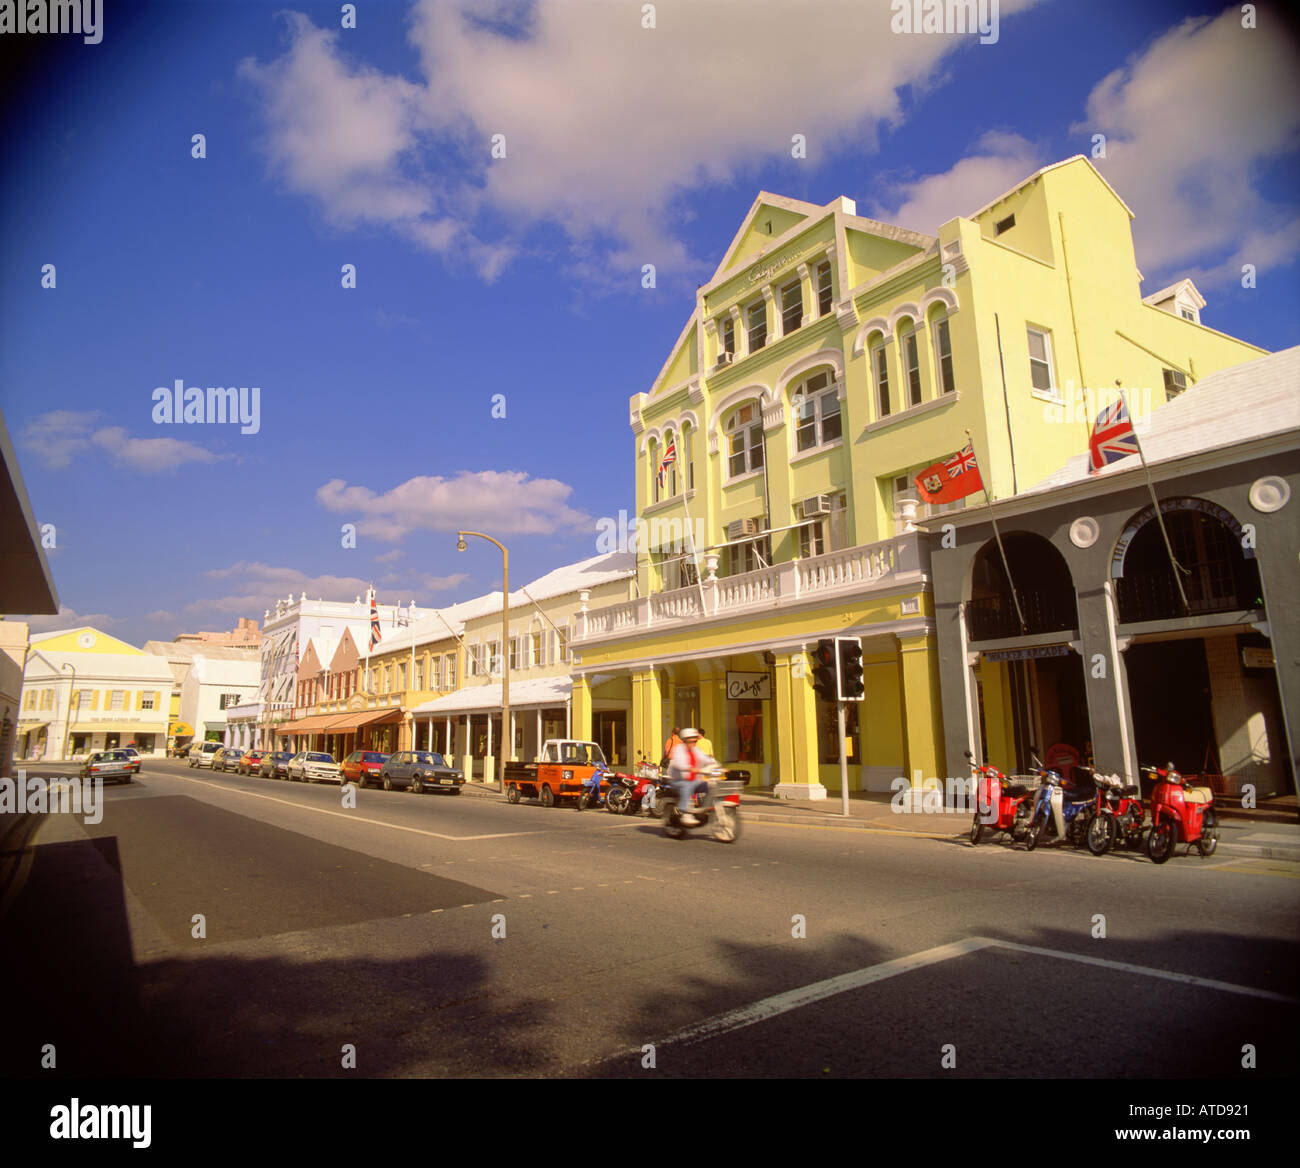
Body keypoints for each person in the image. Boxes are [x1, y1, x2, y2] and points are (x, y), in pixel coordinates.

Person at [668, 728, 716, 826]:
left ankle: (704, 809)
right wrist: (690, 768)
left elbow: (707, 759)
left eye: (695, 740)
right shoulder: (678, 749)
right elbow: (678, 763)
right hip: (679, 780)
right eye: (691, 740)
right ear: (685, 740)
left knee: (713, 785)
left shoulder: (696, 750)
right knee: (687, 785)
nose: (693, 743)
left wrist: (718, 766)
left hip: (694, 780)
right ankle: (686, 814)